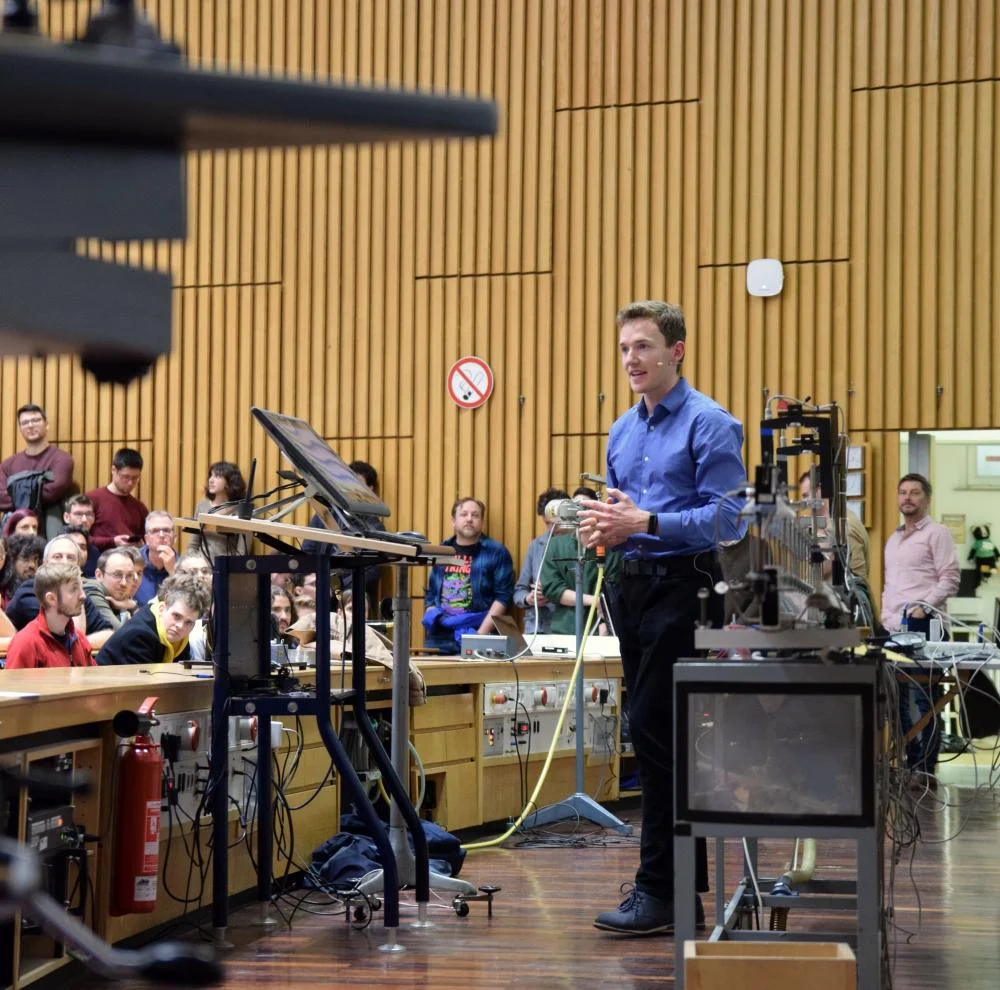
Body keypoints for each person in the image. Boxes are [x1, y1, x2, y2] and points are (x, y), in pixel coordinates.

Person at [578, 300, 746, 935]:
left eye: (643, 347)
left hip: (689, 586)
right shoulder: (622, 430)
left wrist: (644, 523)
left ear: (676, 351)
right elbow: (625, 512)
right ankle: (677, 895)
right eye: (624, 349)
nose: (631, 360)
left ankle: (662, 892)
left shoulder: (711, 424)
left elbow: (731, 519)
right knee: (654, 739)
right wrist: (606, 525)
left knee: (655, 731)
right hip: (632, 587)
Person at [881, 473, 960, 778]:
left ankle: (925, 768)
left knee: (925, 699)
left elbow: (950, 579)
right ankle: (908, 763)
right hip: (895, 629)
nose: (907, 498)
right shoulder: (894, 538)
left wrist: (922, 607)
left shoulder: (936, 534)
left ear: (927, 498)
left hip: (926, 627)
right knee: (898, 699)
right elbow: (892, 586)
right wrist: (888, 617)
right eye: (902, 492)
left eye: (915, 493)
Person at [422, 497, 515, 653]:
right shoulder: (441, 550)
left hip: (478, 632)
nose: (469, 519)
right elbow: (431, 593)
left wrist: (479, 637)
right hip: (439, 637)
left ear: (482, 522)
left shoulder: (496, 552)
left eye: (475, 515)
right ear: (453, 521)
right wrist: (433, 617)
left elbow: (503, 597)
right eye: (464, 514)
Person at [97, 574, 211, 666]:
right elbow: (145, 688)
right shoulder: (139, 636)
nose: (180, 626)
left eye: (189, 622)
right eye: (176, 616)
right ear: (163, 607)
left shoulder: (179, 639)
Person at [0, 404, 75, 539]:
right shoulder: (7, 464)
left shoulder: (62, 459)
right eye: (25, 422)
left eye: (35, 420)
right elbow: (1, 499)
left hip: (50, 526)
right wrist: (37, 486)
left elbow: (53, 491)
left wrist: (16, 489)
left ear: (47, 425)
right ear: (20, 429)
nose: (30, 425)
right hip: (15, 532)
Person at [4, 563, 95, 669]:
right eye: (74, 589)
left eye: (81, 587)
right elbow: (13, 685)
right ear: (51, 599)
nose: (83, 595)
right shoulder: (26, 643)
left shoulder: (78, 638)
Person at [513, 487, 568, 634]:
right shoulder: (536, 546)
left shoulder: (579, 546)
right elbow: (519, 591)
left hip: (567, 626)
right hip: (537, 626)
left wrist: (553, 592)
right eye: (548, 523)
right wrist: (529, 599)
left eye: (557, 521)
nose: (554, 528)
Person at [85, 447, 148, 552]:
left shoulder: (140, 508)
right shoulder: (91, 499)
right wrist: (113, 541)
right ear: (113, 470)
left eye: (135, 478)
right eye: (125, 477)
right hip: (99, 561)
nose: (130, 483)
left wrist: (142, 546)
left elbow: (146, 540)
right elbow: (78, 538)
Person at [187, 461, 251, 558]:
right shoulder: (202, 505)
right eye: (210, 476)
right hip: (199, 564)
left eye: (217, 476)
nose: (211, 480)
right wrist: (195, 563)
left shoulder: (242, 510)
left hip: (225, 566)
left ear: (229, 482)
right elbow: (193, 544)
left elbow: (242, 551)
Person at [135, 510, 178, 605]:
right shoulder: (131, 562)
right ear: (146, 539)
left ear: (175, 538)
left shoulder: (185, 566)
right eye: (155, 531)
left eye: (166, 530)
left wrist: (173, 572)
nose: (162, 535)